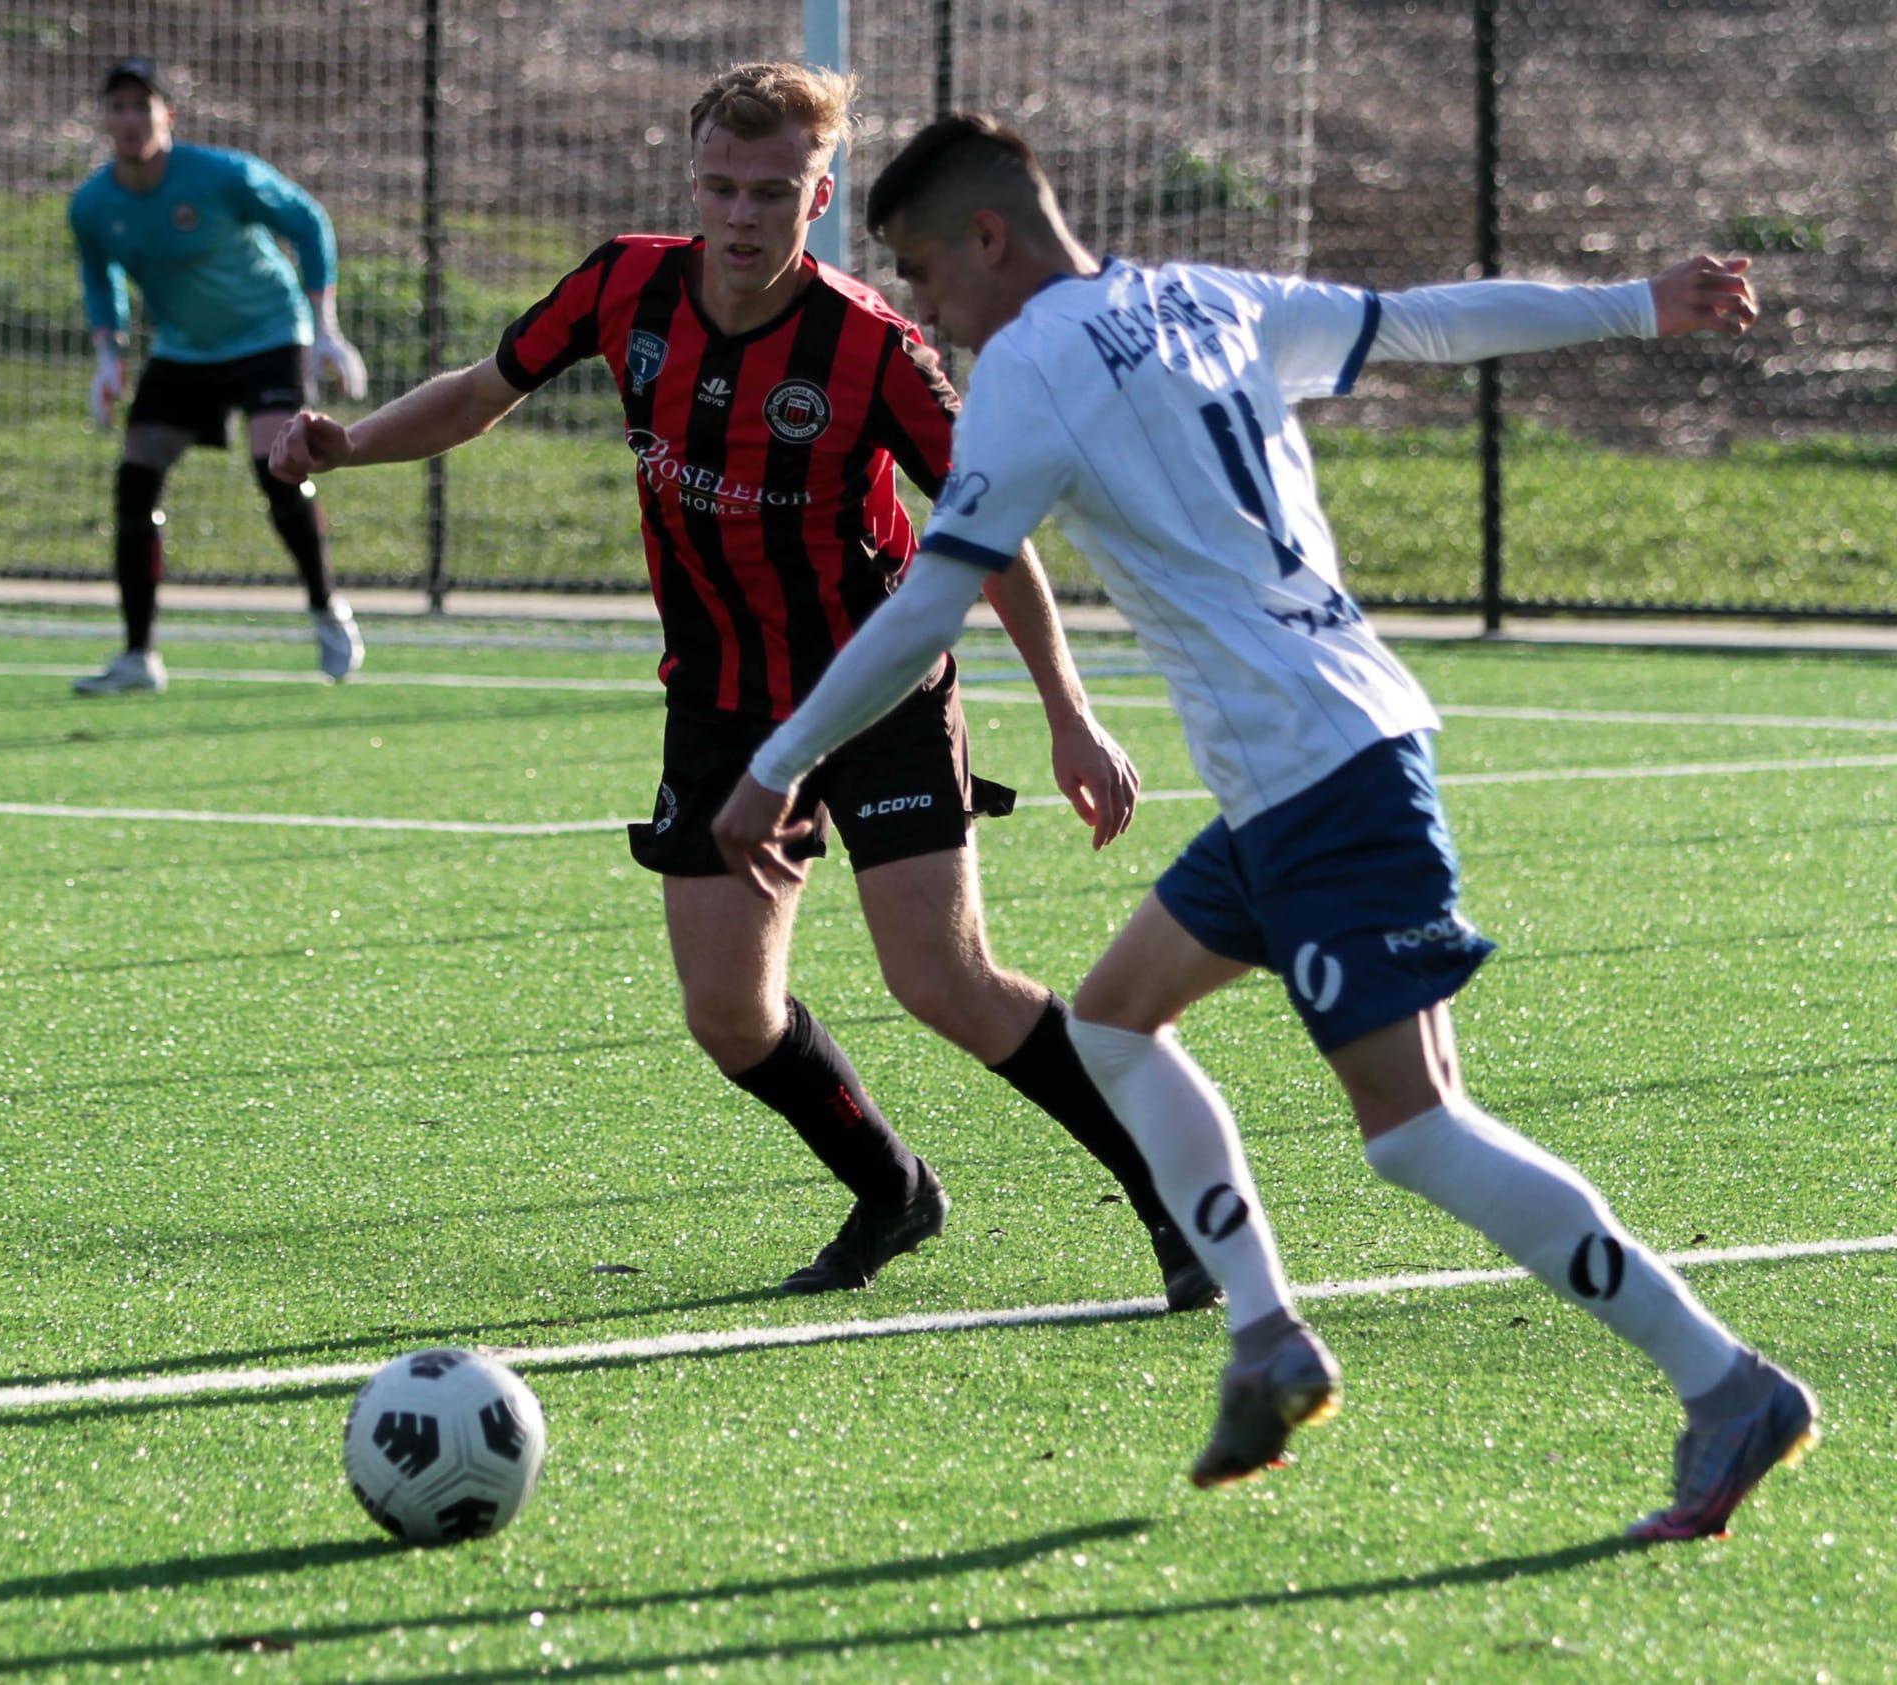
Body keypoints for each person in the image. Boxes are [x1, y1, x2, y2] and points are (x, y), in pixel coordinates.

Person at [713, 113, 1819, 1541]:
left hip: (1319, 775)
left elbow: (931, 600)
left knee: (1416, 1131)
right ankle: (1266, 1336)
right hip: (1305, 764)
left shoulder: (1031, 369)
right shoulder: (1208, 298)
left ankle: (1724, 1383)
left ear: (989, 237)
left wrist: (778, 763)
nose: (922, 307)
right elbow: (1424, 323)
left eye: (923, 272)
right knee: (1112, 1022)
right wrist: (1635, 303)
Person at [269, 64, 1216, 1309]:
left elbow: (992, 534)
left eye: (773, 192)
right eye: (719, 185)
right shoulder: (622, 285)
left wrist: (1068, 712)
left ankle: (1176, 1201)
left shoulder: (871, 347)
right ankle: (893, 1189)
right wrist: (350, 446)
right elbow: (481, 393)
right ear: (691, 181)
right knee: (728, 1013)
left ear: (818, 198)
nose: (741, 213)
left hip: (874, 690)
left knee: (942, 981)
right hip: (719, 697)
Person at [68, 56, 370, 694]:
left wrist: (326, 330)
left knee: (276, 467)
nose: (129, 118)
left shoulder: (222, 175)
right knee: (134, 479)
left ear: (167, 116)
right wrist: (107, 358)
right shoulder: (93, 205)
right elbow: (99, 277)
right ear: (104, 119)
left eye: (141, 105)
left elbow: (308, 221)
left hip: (269, 334)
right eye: (117, 107)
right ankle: (138, 657)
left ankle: (326, 611)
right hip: (185, 350)